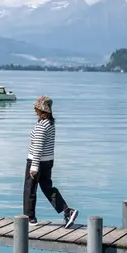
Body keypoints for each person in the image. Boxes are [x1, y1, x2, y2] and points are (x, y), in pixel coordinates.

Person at [24, 95, 79, 228]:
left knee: (29, 189)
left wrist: (34, 167)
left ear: (41, 109)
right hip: (48, 161)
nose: (34, 109)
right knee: (47, 188)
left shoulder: (42, 125)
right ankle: (67, 211)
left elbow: (38, 147)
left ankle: (29, 218)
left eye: (36, 107)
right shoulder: (50, 123)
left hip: (36, 161)